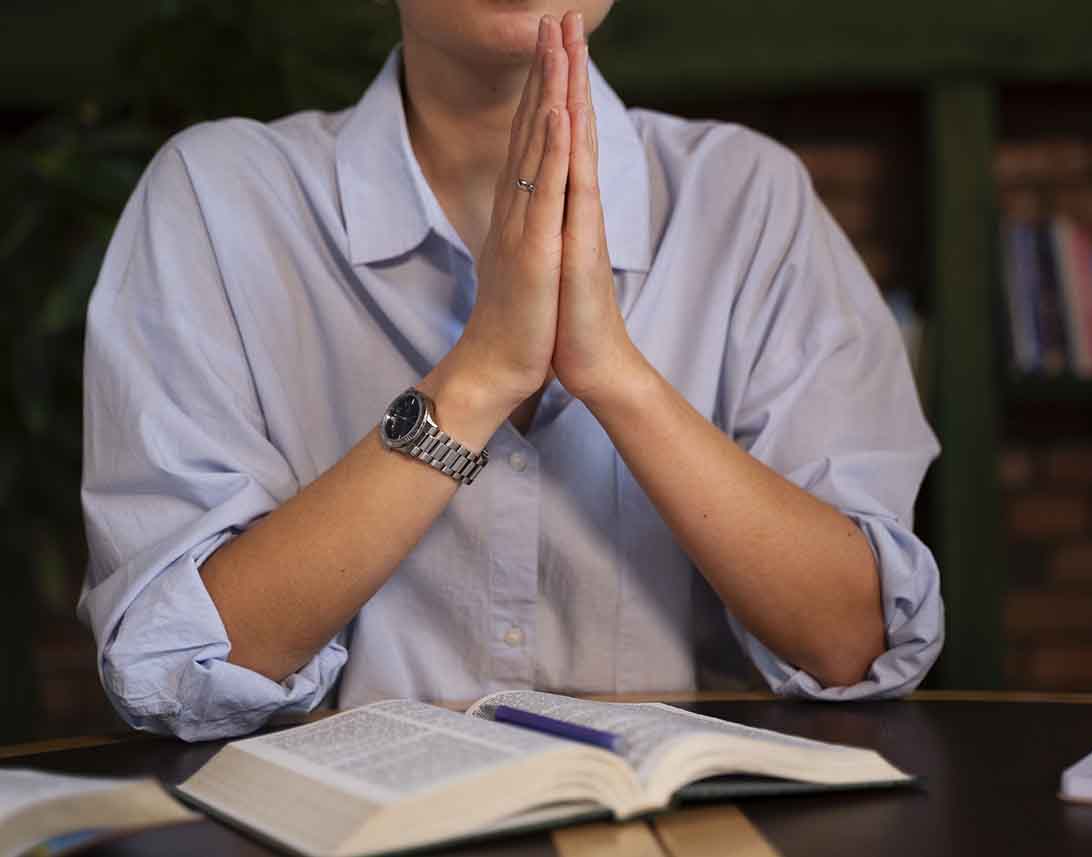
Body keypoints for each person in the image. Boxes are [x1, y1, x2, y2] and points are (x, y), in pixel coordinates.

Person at [79, 2, 943, 742]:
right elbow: (176, 666)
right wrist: (479, 376)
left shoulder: (749, 198)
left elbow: (858, 644)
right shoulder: (219, 196)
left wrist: (613, 373)